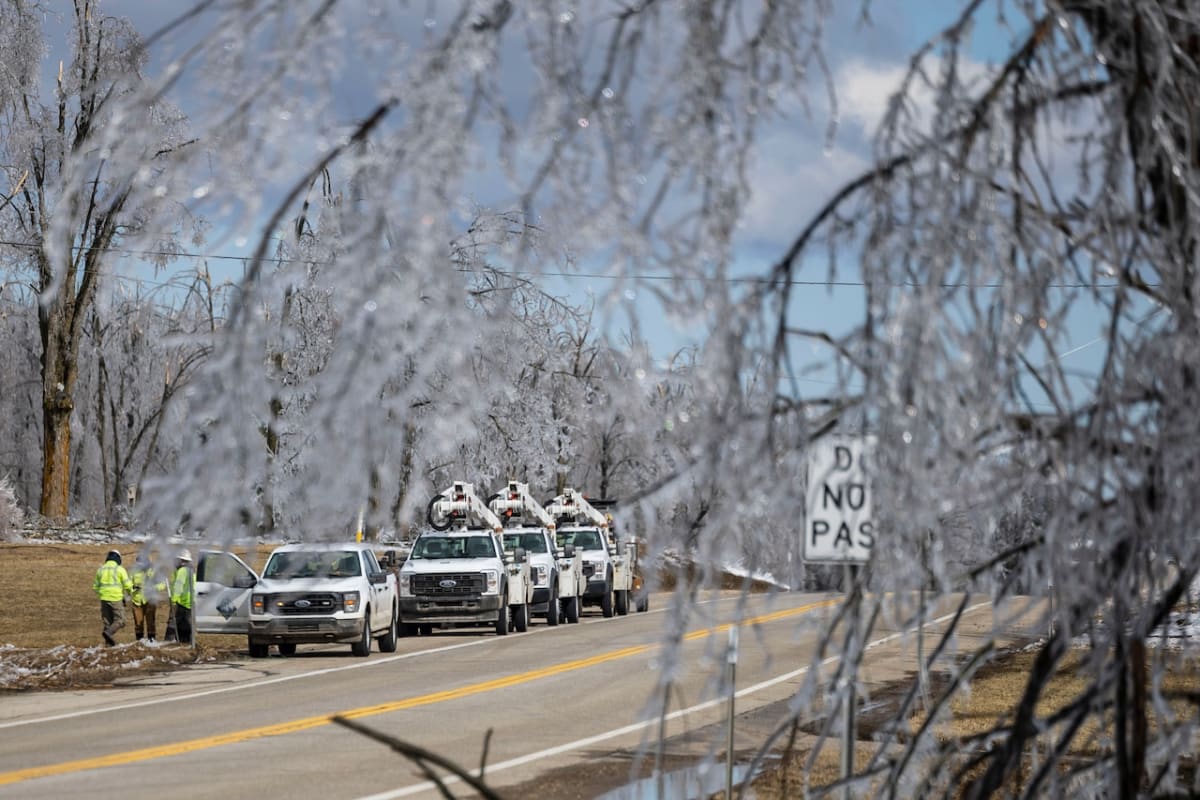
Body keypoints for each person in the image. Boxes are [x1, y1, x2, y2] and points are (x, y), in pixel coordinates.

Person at [93, 549, 133, 646]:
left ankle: (108, 646)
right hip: (115, 599)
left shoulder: (101, 569)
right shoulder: (120, 569)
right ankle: (108, 633)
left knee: (108, 623)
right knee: (120, 620)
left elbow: (95, 587)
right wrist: (131, 591)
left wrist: (102, 594)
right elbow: (127, 585)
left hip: (104, 599)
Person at [130, 553, 168, 642]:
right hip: (137, 601)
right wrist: (133, 587)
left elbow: (162, 584)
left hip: (150, 600)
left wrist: (153, 588)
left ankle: (152, 641)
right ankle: (139, 642)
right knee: (138, 624)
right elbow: (128, 584)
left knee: (151, 622)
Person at [168, 550, 196, 646]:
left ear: (181, 560)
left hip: (182, 603)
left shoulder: (182, 571)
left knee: (173, 625)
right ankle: (188, 644)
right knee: (187, 626)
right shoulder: (191, 570)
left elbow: (178, 587)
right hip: (191, 602)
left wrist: (173, 600)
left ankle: (168, 644)